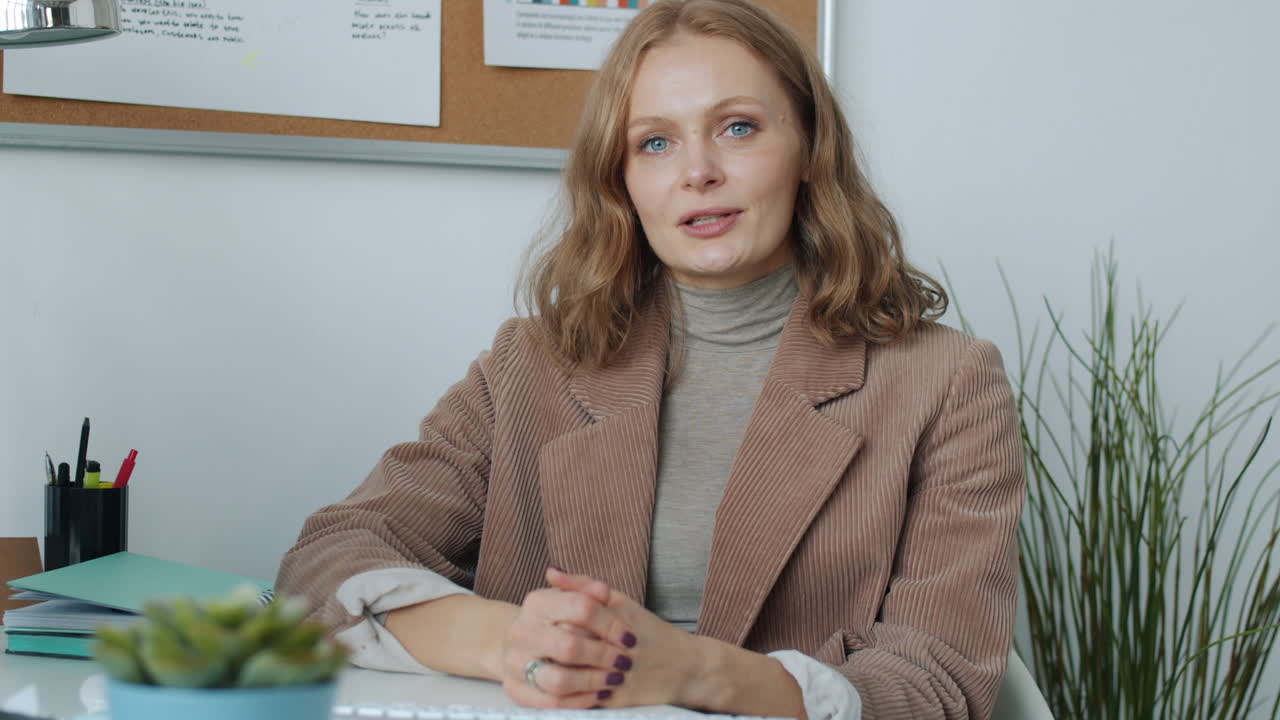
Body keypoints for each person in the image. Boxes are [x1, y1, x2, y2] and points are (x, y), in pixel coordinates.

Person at [276, 1, 1025, 718]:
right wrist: (515, 644)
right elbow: (325, 562)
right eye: (655, 142)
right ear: (623, 182)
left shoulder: (949, 384)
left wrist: (692, 670)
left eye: (737, 127)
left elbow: (939, 688)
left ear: (808, 150)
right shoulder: (529, 360)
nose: (697, 171)